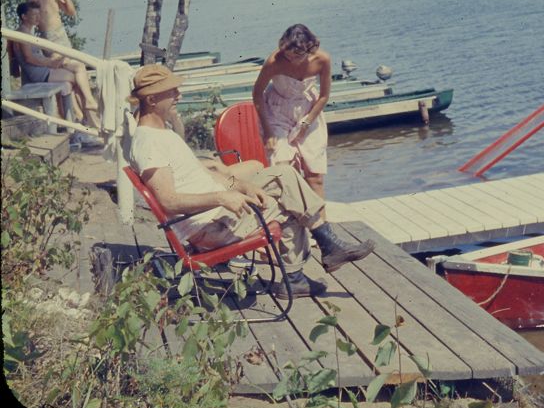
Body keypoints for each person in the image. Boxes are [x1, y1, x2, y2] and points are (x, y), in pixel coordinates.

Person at [128, 64, 375, 299]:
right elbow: (169, 201)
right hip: (211, 228)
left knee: (285, 176)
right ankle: (316, 255)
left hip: (216, 216)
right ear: (151, 100)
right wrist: (221, 197)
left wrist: (241, 185)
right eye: (171, 91)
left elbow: (202, 176)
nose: (178, 95)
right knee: (290, 198)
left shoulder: (162, 133)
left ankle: (320, 250)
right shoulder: (149, 143)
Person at [252, 24, 331, 198]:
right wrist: (268, 132)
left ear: (309, 49)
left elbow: (324, 96)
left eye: (297, 56)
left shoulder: (322, 59)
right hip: (277, 111)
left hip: (309, 111)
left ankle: (321, 224)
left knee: (315, 176)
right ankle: (295, 222)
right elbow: (257, 94)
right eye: (287, 56)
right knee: (286, 172)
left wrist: (307, 121)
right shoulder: (274, 61)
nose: (291, 60)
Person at [13, 1, 100, 132]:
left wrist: (53, 59)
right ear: (24, 16)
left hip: (43, 68)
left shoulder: (28, 32)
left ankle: (84, 116)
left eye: (39, 14)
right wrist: (50, 63)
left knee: (78, 67)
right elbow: (28, 58)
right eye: (34, 14)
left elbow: (37, 55)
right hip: (38, 73)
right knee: (75, 78)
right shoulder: (22, 34)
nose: (38, 17)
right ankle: (84, 117)